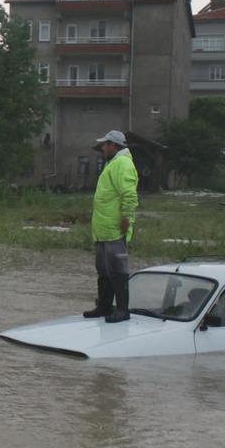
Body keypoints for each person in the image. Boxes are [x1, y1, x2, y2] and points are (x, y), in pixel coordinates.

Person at [84, 129, 139, 323]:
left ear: (113, 145)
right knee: (103, 270)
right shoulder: (112, 164)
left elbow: (129, 194)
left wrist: (126, 218)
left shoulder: (123, 164)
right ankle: (104, 306)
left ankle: (122, 310)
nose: (102, 148)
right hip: (103, 231)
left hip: (115, 230)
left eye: (105, 145)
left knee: (117, 270)